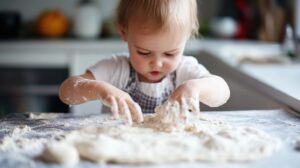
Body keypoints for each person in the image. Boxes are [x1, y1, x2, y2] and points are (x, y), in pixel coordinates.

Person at [59, 0, 230, 125]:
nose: (157, 63)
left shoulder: (185, 70)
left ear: (187, 36)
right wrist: (100, 89)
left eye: (170, 53)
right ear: (124, 33)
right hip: (120, 144)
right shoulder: (116, 68)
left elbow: (222, 92)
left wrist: (196, 88)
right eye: (144, 52)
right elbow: (66, 91)